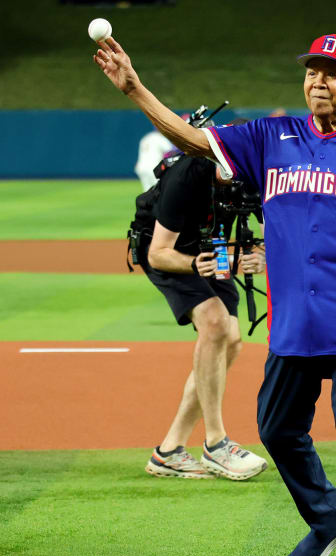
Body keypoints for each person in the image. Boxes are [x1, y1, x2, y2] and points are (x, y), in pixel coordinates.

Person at [94, 32, 336, 556]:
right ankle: (330, 517)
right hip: (297, 318)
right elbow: (194, 141)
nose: (318, 80)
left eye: (332, 72)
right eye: (312, 70)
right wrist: (135, 89)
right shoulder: (270, 137)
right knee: (276, 425)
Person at [133, 136, 269, 481]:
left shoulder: (255, 175)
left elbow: (270, 232)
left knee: (232, 340)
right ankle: (216, 443)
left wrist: (259, 256)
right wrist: (195, 264)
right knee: (214, 323)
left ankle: (169, 451)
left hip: (214, 246)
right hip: (169, 251)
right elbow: (157, 253)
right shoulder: (188, 175)